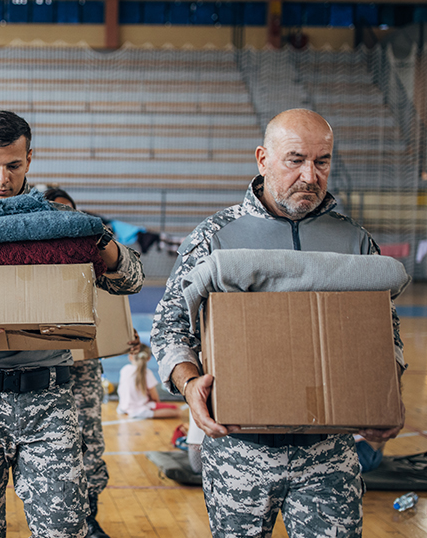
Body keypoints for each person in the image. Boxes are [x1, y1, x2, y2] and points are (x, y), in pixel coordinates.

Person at [150, 108, 406, 537]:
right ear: (262, 159)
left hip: (329, 453)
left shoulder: (355, 241)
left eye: (322, 161)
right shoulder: (214, 236)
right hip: (239, 451)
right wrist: (188, 383)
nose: (310, 175)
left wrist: (387, 389)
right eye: (295, 159)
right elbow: (170, 326)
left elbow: (385, 332)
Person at [0, 110, 144, 538]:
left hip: (50, 397)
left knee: (64, 530)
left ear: (30, 160)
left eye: (13, 165)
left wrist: (95, 240)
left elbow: (131, 279)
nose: (2, 178)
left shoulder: (57, 227)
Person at [43, 186, 129, 538]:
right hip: (45, 369)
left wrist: (124, 335)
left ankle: (89, 517)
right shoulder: (33, 260)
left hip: (85, 370)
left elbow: (115, 302)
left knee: (90, 443)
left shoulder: (93, 259)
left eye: (68, 213)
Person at [115, 343, 178, 419]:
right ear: (148, 358)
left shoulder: (124, 369)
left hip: (123, 407)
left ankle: (132, 410)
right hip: (139, 409)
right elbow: (154, 396)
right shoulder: (147, 373)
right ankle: (143, 413)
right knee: (177, 410)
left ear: (130, 357)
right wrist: (157, 405)